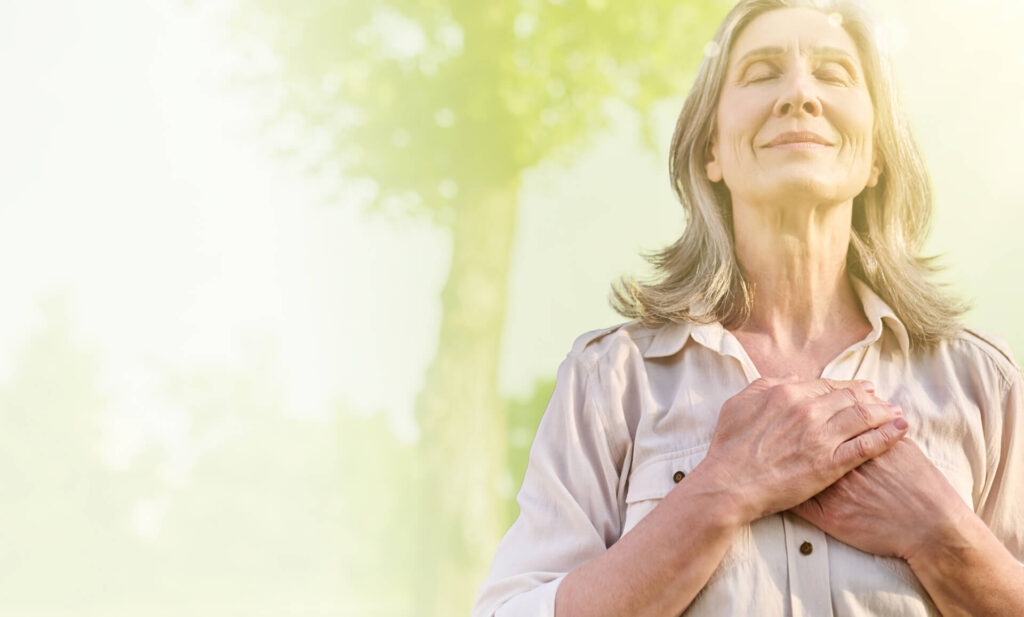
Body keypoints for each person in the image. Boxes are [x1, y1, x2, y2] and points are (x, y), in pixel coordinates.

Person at [471, 0, 1024, 616]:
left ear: (875, 156)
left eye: (834, 74)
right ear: (712, 150)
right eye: (762, 73)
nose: (799, 95)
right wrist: (720, 492)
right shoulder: (613, 380)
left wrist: (941, 533)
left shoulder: (983, 384)